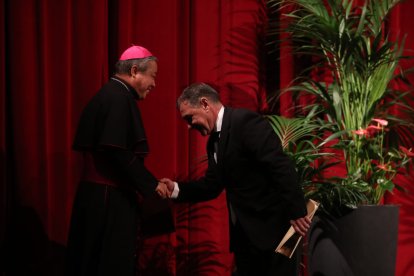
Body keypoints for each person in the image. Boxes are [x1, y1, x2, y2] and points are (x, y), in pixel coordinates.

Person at [159, 82, 311, 276]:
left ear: (205, 104)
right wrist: (175, 189)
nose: (189, 126)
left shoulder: (245, 121)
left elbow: (279, 165)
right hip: (246, 238)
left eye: (190, 118)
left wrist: (297, 211)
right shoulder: (213, 142)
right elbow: (211, 186)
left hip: (275, 232)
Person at [65, 45, 172, 276]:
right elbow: (117, 152)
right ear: (135, 71)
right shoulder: (118, 98)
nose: (154, 84)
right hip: (109, 199)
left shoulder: (109, 94)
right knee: (109, 264)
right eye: (153, 76)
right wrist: (152, 185)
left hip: (96, 196)